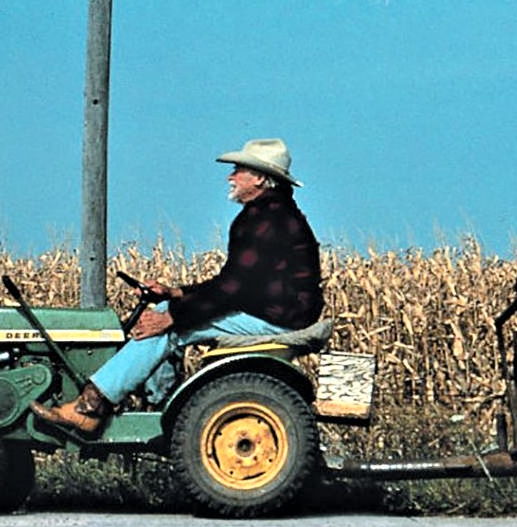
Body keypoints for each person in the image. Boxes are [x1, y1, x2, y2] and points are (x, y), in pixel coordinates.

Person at [31, 138, 323, 432]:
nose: (230, 177)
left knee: (170, 325)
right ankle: (157, 403)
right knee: (167, 311)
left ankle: (91, 406)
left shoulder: (267, 220)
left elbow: (234, 289)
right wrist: (177, 293)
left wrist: (172, 316)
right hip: (276, 312)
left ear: (259, 178)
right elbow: (234, 283)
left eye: (238, 170)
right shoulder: (269, 214)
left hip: (279, 319)